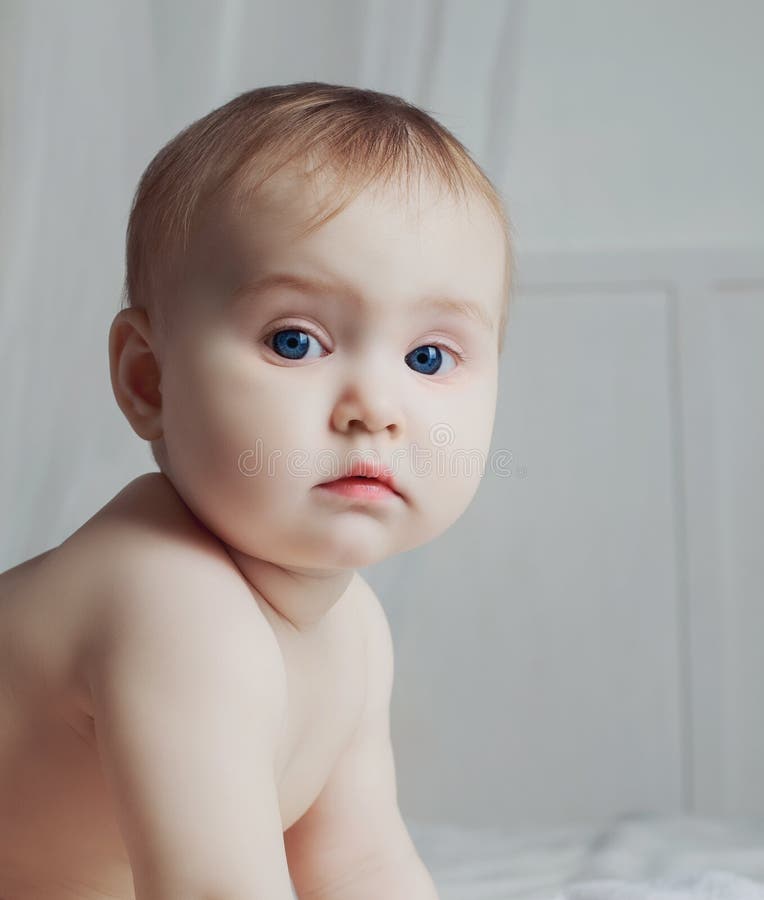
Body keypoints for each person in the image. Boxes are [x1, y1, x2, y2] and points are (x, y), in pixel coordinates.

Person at [0, 81, 513, 899]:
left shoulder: (351, 629)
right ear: (150, 380)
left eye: (428, 357)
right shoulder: (170, 602)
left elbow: (356, 866)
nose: (376, 410)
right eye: (296, 340)